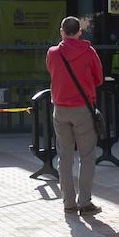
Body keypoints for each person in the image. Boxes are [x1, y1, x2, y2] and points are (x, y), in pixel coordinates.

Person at [45, 17, 105, 216]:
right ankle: (85, 202)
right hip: (83, 109)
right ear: (79, 32)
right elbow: (98, 79)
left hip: (60, 109)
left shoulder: (53, 53)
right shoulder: (89, 52)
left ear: (62, 31)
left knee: (65, 156)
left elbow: (52, 74)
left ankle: (68, 202)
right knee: (87, 157)